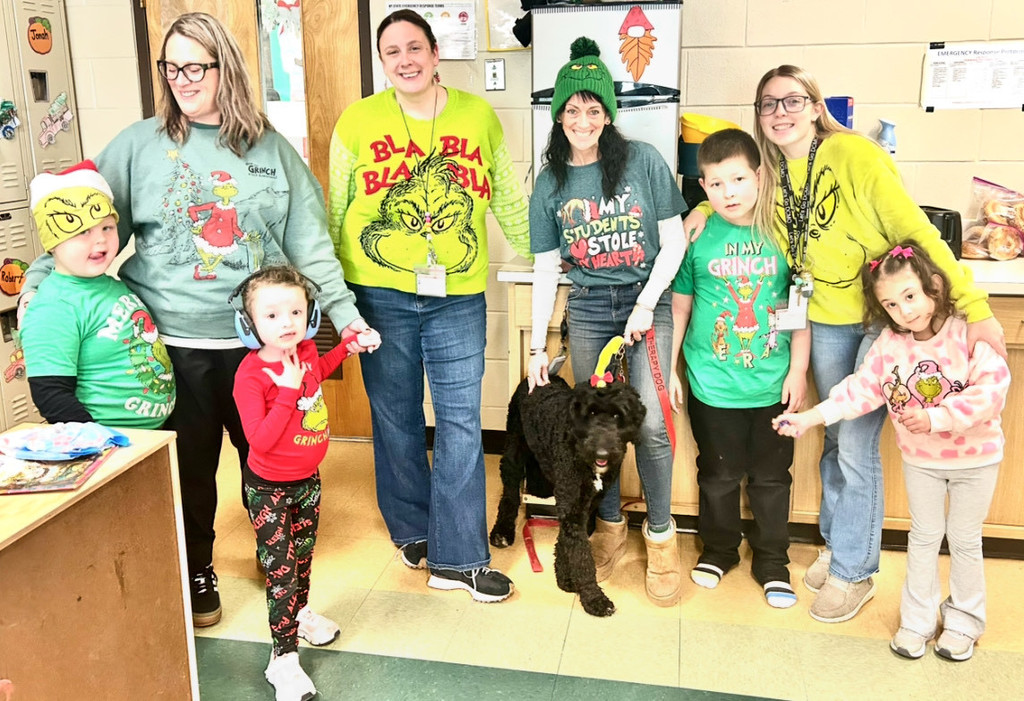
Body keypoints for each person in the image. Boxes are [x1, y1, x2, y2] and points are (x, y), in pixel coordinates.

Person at [20, 12, 366, 628]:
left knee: (273, 461)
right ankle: (197, 565)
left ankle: (277, 554)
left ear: (224, 67)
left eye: (195, 66)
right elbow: (86, 231)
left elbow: (312, 248)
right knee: (192, 467)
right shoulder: (137, 145)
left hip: (261, 348)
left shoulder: (270, 149)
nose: (181, 79)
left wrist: (346, 316)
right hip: (174, 344)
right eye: (171, 67)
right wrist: (40, 288)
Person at [682, 64, 1004, 623]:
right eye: (768, 104)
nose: (780, 112)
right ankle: (839, 546)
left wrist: (974, 307)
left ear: (814, 105)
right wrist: (704, 207)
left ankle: (855, 572)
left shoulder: (856, 155)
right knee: (836, 440)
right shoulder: (776, 173)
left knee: (856, 448)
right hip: (824, 321)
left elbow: (917, 231)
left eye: (792, 100)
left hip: (882, 320)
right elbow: (737, 199)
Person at [327, 9, 530, 603]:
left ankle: (460, 555)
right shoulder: (358, 121)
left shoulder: (478, 116)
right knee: (396, 417)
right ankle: (413, 528)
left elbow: (508, 199)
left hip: (458, 296)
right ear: (382, 62)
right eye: (392, 52)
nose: (405, 60)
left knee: (462, 419)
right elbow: (336, 211)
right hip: (377, 293)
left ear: (436, 52)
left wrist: (546, 257)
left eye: (415, 47)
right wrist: (338, 298)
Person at [774, 242, 1008, 658]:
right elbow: (858, 390)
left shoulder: (966, 331)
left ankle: (965, 621)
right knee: (923, 538)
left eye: (910, 297)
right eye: (891, 305)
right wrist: (809, 418)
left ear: (934, 286)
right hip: (922, 462)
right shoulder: (889, 342)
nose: (904, 311)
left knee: (965, 539)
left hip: (977, 460)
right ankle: (916, 622)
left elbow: (991, 392)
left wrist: (937, 418)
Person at [527, 37, 688, 606]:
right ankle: (611, 528)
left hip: (649, 302)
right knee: (599, 428)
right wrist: (537, 349)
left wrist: (646, 305)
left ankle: (663, 541)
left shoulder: (642, 160)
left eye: (593, 110)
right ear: (558, 116)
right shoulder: (548, 182)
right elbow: (547, 270)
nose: (583, 119)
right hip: (592, 307)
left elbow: (673, 243)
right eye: (572, 110)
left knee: (649, 427)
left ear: (608, 115)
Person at [668, 129, 810, 608]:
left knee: (772, 478)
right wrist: (670, 370)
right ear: (702, 188)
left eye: (737, 179)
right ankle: (720, 550)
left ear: (760, 176)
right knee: (718, 475)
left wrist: (798, 371)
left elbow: (800, 308)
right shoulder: (699, 235)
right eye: (714, 184)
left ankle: (773, 561)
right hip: (712, 384)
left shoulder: (783, 234)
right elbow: (681, 310)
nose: (728, 192)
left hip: (772, 382)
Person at [231, 265, 380, 698]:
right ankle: (283, 659)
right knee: (281, 573)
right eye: (272, 315)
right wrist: (287, 391)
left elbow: (323, 366)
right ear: (250, 323)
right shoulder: (252, 376)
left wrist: (350, 346)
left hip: (308, 481)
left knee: (303, 559)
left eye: (296, 312)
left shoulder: (308, 351)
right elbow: (258, 439)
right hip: (268, 489)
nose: (287, 324)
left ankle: (302, 615)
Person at [22, 161, 175, 427]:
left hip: (151, 441)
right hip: (112, 445)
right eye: (83, 232)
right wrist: (101, 445)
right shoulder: (54, 307)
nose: (100, 240)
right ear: (53, 243)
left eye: (107, 227)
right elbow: (51, 395)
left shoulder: (109, 284)